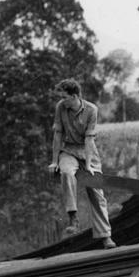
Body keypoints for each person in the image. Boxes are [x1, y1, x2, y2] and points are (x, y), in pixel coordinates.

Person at [49, 78, 116, 249]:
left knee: (96, 192)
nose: (62, 101)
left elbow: (89, 139)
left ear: (75, 96)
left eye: (65, 97)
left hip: (88, 152)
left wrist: (88, 166)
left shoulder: (91, 110)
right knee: (66, 172)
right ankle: (73, 216)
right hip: (69, 150)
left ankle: (105, 236)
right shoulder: (61, 108)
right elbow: (57, 135)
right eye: (61, 98)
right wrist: (54, 161)